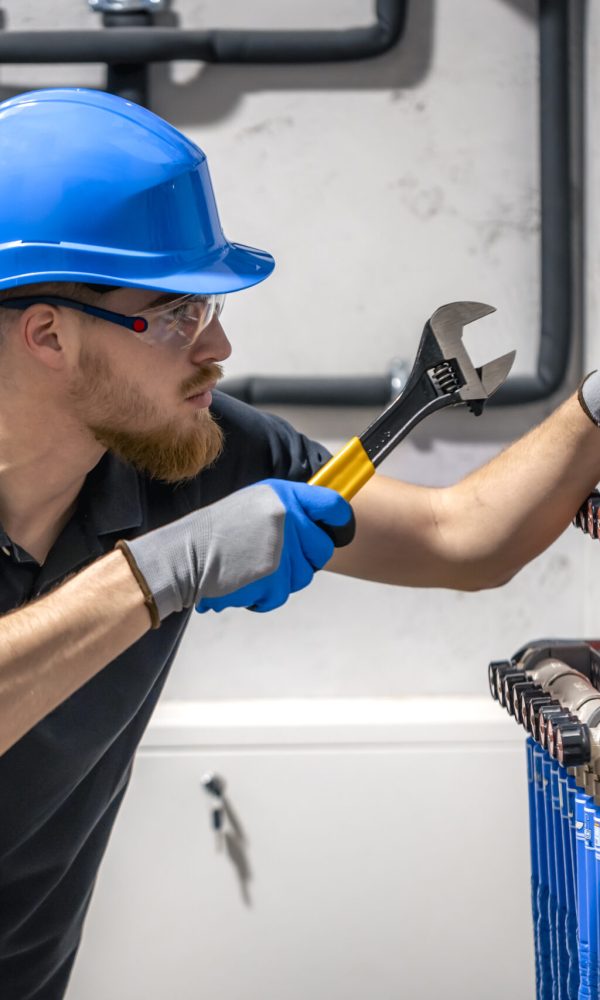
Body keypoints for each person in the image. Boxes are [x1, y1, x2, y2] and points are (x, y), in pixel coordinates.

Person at [0, 86, 598, 1000]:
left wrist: (596, 403)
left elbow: (460, 536)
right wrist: (164, 572)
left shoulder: (189, 454)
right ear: (48, 333)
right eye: (178, 314)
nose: (220, 345)